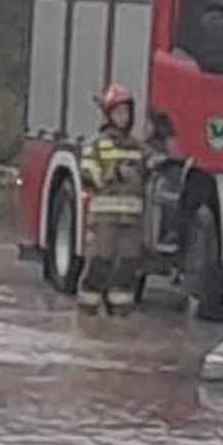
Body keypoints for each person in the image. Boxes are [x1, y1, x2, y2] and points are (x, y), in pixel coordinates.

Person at [77, 85, 149, 316]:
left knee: (127, 268)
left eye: (127, 113)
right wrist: (112, 173)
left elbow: (149, 167)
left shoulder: (137, 146)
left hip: (131, 222)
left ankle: (119, 320)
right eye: (118, 113)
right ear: (109, 115)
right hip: (104, 219)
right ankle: (88, 317)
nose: (123, 118)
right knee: (100, 263)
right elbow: (88, 173)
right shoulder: (96, 144)